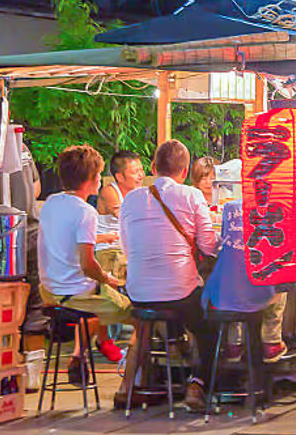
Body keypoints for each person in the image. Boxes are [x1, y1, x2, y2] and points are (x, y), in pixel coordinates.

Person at [120, 140, 220, 411]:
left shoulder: (130, 198)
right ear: (185, 171)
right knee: (211, 320)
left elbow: (126, 247)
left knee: (166, 310)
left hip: (138, 294)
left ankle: (141, 378)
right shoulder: (192, 196)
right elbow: (209, 246)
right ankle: (197, 383)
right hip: (179, 294)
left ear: (153, 167)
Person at [37, 145, 131, 384]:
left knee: (97, 302)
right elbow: (88, 265)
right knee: (140, 315)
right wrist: (109, 279)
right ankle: (133, 380)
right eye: (99, 175)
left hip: (48, 289)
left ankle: (79, 355)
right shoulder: (86, 212)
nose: (100, 179)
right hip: (75, 292)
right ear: (91, 180)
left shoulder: (51, 202)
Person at [201, 199, 277, 395]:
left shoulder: (230, 207)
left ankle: (233, 345)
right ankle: (271, 341)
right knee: (278, 294)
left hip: (223, 295)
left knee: (233, 294)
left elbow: (218, 244)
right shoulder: (272, 206)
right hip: (257, 295)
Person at [11, 142, 48, 335]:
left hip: (18, 230)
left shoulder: (18, 145)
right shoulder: (19, 144)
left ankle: (26, 356)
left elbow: (36, 184)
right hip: (24, 228)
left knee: (34, 311)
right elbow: (35, 185)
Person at [96, 151, 145, 280]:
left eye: (141, 170)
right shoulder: (110, 191)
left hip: (128, 250)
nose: (141, 175)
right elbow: (124, 216)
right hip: (108, 249)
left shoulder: (139, 193)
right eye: (135, 172)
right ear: (120, 177)